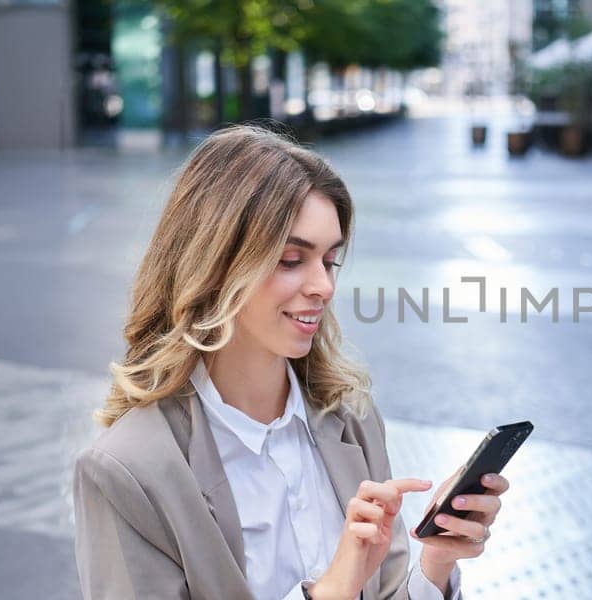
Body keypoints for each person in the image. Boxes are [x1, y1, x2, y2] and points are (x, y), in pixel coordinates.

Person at [72, 125, 508, 599]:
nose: (323, 285)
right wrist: (331, 591)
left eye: (330, 260)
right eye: (290, 259)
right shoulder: (127, 470)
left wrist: (436, 565)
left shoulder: (350, 417)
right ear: (214, 265)